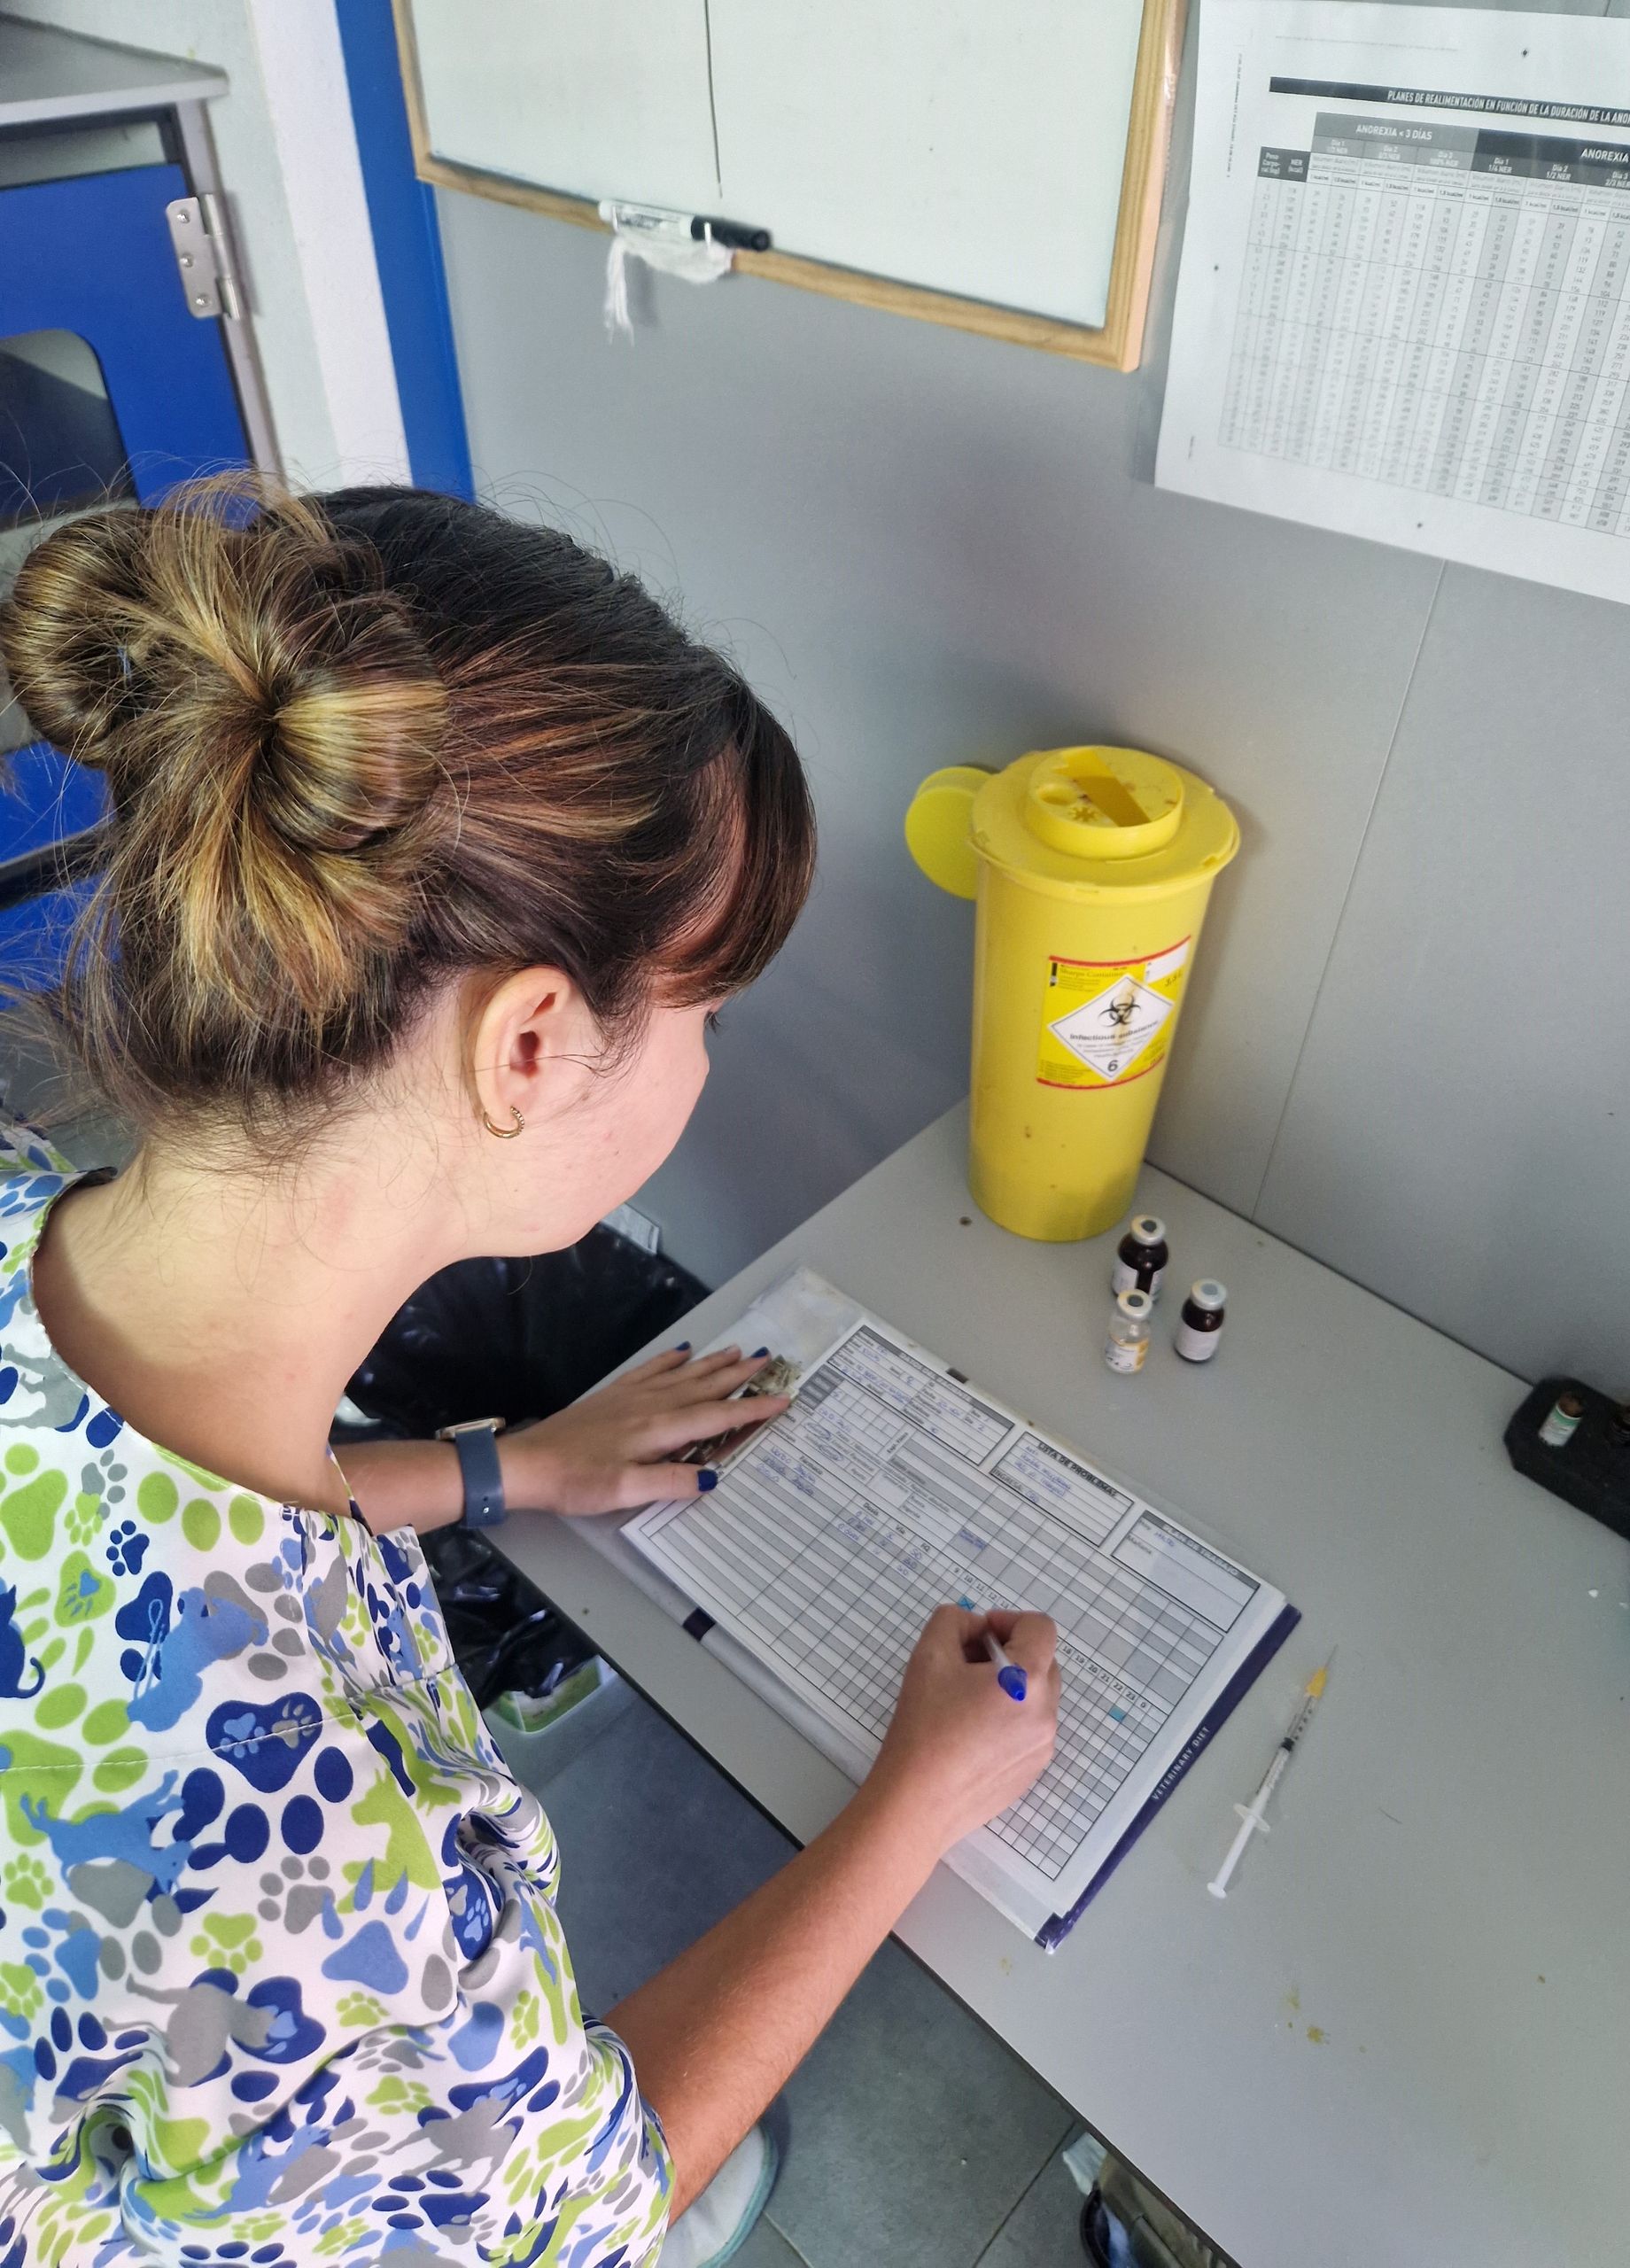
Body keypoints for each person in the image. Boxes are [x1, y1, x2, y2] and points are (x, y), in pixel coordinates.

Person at [0, 479, 1060, 2266]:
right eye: (707, 1010)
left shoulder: (45, 1223)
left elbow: (150, 1517)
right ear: (535, 1043)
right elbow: (593, 2201)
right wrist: (918, 1805)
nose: (710, 1058)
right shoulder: (318, 1878)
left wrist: (517, 1464)